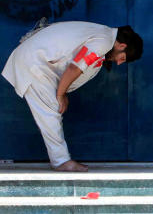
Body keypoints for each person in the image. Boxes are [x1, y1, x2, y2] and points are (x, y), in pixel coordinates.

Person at [2, 19, 143, 172]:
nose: (119, 63)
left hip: (38, 62)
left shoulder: (103, 35)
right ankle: (61, 161)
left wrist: (63, 92)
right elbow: (75, 67)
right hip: (35, 64)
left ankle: (61, 160)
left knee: (52, 110)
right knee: (51, 111)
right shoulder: (104, 42)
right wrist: (61, 94)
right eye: (122, 58)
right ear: (122, 45)